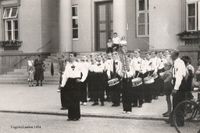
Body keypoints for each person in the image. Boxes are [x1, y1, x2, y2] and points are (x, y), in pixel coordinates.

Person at [60, 52, 87, 121]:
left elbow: (85, 72)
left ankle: (76, 116)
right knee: (70, 99)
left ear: (75, 57)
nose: (70, 57)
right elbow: (65, 75)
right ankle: (70, 116)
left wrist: (81, 80)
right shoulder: (68, 65)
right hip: (69, 82)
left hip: (76, 82)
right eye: (69, 56)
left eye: (71, 56)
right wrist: (62, 85)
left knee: (75, 99)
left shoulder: (79, 65)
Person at [167, 51, 187, 126]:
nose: (170, 56)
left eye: (171, 55)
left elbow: (179, 77)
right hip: (177, 83)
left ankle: (179, 122)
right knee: (176, 103)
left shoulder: (179, 63)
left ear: (174, 55)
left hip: (180, 85)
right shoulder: (176, 62)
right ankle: (175, 120)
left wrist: (175, 88)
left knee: (178, 103)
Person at [119, 45, 135, 113]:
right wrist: (122, 73)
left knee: (129, 95)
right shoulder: (122, 65)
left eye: (128, 60)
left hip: (129, 80)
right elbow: (119, 72)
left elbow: (132, 73)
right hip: (124, 80)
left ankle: (129, 109)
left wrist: (127, 73)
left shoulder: (131, 65)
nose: (126, 61)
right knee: (124, 95)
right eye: (126, 60)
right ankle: (124, 109)